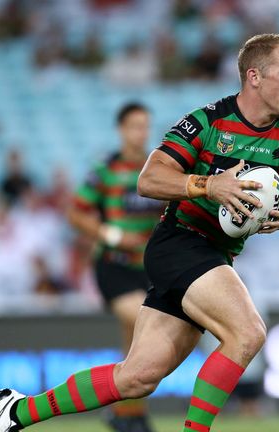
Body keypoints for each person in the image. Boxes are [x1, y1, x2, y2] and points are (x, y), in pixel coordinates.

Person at [0, 33, 279, 432]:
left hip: (216, 258)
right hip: (180, 242)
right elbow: (150, 178)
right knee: (247, 333)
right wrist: (210, 185)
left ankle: (14, 413)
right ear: (254, 76)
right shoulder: (207, 121)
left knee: (137, 377)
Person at [66, 102, 163, 432]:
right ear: (121, 130)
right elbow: (76, 213)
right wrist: (112, 234)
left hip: (149, 267)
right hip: (114, 266)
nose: (141, 132)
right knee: (143, 324)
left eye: (145, 126)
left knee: (135, 342)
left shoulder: (158, 168)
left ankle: (129, 415)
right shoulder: (106, 169)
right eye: (135, 125)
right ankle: (122, 412)